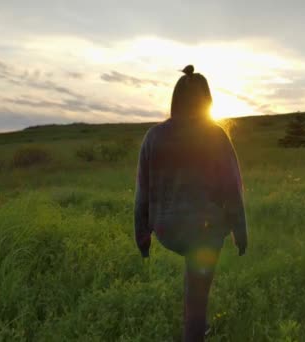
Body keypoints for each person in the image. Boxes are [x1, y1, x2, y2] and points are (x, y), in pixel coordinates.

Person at [134, 65, 247, 341]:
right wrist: (240, 232)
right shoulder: (215, 135)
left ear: (176, 100)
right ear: (207, 100)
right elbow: (233, 189)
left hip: (167, 230)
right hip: (203, 230)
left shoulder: (153, 136)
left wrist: (142, 236)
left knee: (193, 273)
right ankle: (195, 330)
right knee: (198, 295)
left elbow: (142, 191)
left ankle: (195, 320)